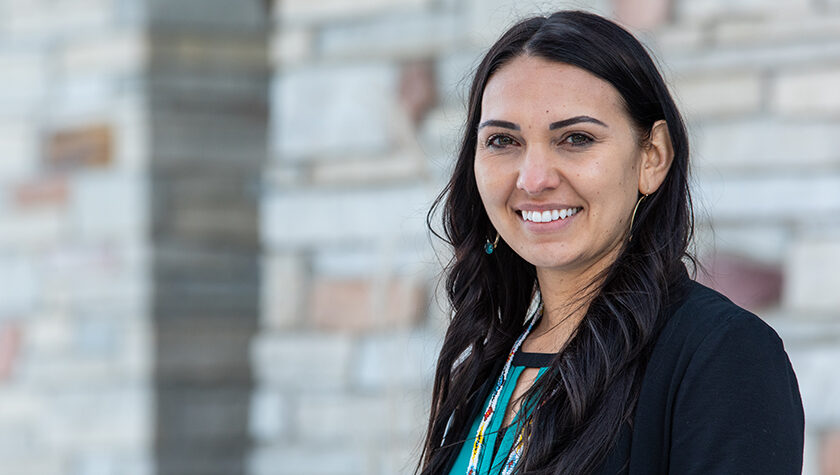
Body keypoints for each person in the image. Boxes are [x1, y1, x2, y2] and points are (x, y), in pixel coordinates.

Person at [418, 10, 804, 475]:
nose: (534, 179)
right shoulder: (487, 368)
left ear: (652, 157)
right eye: (502, 141)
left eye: (576, 138)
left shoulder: (720, 355)